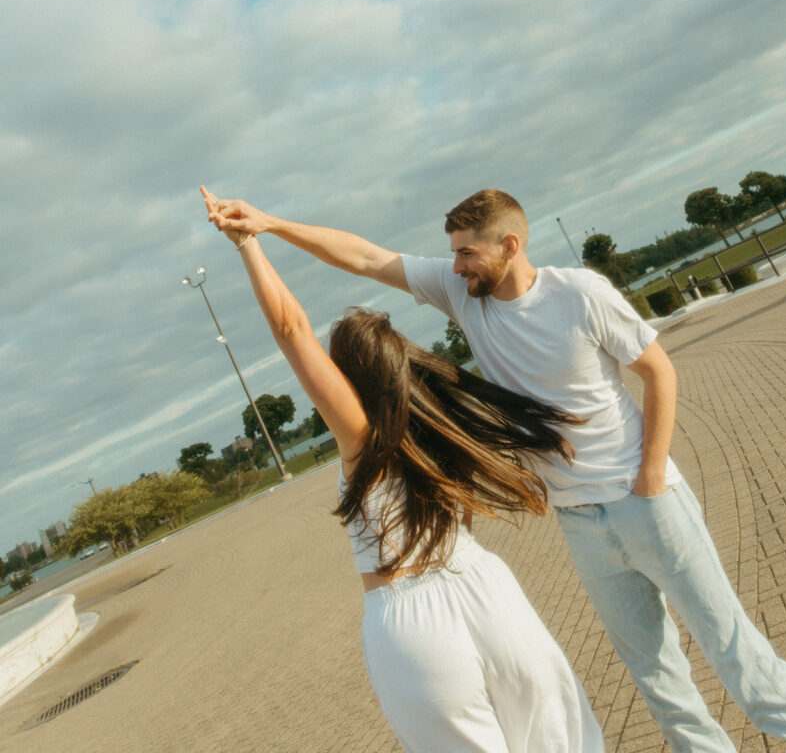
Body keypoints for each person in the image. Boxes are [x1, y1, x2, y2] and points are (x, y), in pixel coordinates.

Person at [206, 188, 786, 753]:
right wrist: (271, 224)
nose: (456, 265)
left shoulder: (578, 293)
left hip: (647, 503)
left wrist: (652, 477)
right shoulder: (455, 312)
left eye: (467, 253)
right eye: (452, 254)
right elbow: (367, 257)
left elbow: (659, 371)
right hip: (577, 526)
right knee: (657, 680)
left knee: (737, 655)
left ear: (510, 246)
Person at [200, 187, 605, 753]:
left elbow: (292, 331)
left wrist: (249, 246)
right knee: (562, 738)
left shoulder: (364, 442)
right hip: (488, 587)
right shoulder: (442, 432)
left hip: (413, 620)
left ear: (352, 381)